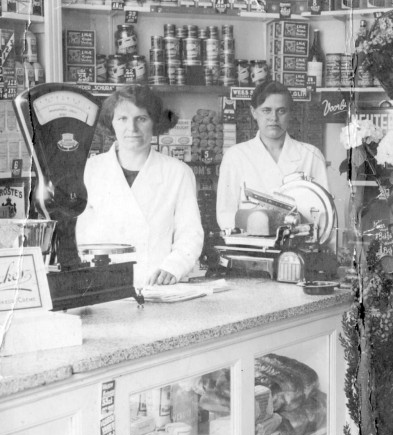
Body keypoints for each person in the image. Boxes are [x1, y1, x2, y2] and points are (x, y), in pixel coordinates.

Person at [77, 85, 204, 288]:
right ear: (111, 123)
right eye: (123, 119)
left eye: (141, 119)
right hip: (100, 287)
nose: (132, 128)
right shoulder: (89, 170)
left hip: (156, 286)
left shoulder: (178, 172)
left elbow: (190, 234)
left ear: (156, 123)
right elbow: (79, 234)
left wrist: (173, 267)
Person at [215, 81, 328, 231]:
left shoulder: (311, 155)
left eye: (281, 111)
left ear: (291, 113)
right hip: (251, 247)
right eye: (266, 110)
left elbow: (325, 215)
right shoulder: (235, 156)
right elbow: (226, 214)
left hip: (298, 247)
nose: (273, 118)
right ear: (253, 112)